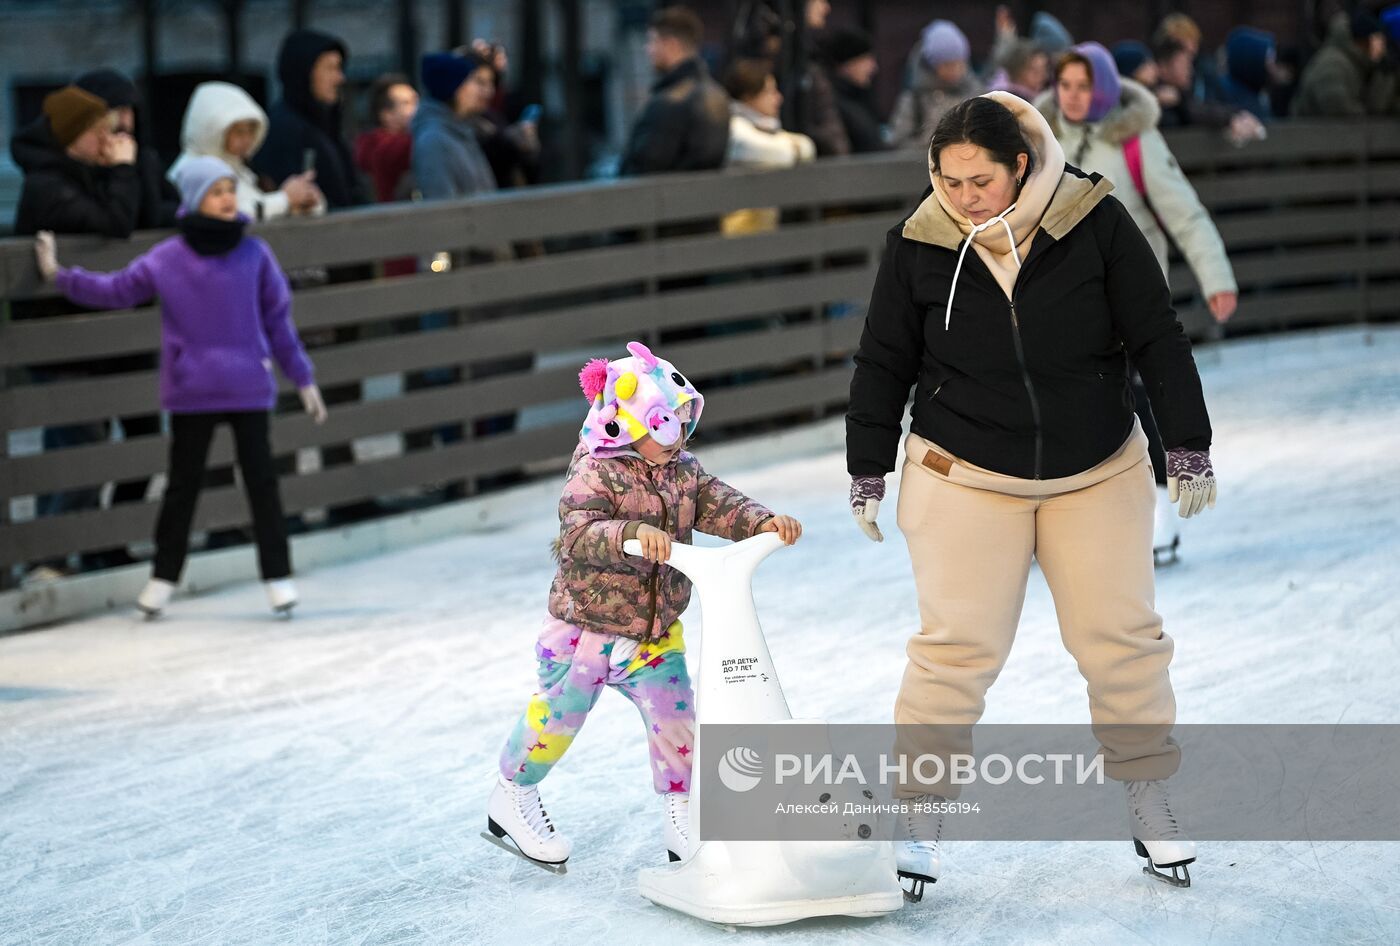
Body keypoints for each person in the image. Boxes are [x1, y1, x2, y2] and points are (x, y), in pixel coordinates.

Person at [846, 92, 1217, 897]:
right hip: (964, 469)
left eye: (978, 180)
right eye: (946, 179)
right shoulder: (919, 240)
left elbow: (1157, 332)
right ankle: (920, 811)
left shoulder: (1096, 219)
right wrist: (867, 463)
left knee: (1121, 640)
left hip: (1096, 466)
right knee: (954, 651)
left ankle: (1148, 793)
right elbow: (883, 360)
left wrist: (1186, 444)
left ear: (1023, 164)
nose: (960, 196)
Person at [486, 340, 803, 871]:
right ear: (631, 423)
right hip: (583, 630)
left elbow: (717, 501)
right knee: (557, 719)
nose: (679, 434)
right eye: (669, 423)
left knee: (678, 724)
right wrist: (630, 533)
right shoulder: (594, 471)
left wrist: (762, 520)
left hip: (654, 632)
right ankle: (511, 796)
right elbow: (578, 531)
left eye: (685, 420)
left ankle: (684, 818)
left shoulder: (682, 469)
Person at [32, 156, 329, 617]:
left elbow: (278, 322)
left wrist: (303, 377)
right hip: (194, 389)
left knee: (262, 485)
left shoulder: (254, 255)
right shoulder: (169, 258)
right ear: (195, 201)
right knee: (182, 488)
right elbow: (116, 290)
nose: (228, 198)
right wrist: (59, 275)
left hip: (248, 385)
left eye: (230, 189)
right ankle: (163, 577)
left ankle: (277, 575)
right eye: (216, 191)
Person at [1037, 42, 1236, 563]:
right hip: (1060, 302)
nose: (1073, 97)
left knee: (1131, 402)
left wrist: (1216, 278)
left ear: (1102, 88)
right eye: (1065, 86)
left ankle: (1156, 518)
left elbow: (1185, 214)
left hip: (1129, 297)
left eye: (1084, 86)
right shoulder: (1040, 141)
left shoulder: (1134, 142)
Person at [170, 81, 323, 222]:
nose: (247, 140)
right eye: (239, 132)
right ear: (211, 130)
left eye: (251, 131)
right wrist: (284, 200)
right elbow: (222, 216)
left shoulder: (241, 170)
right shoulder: (190, 169)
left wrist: (301, 202)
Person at [250, 28, 363, 209]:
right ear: (305, 73)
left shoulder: (325, 126)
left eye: (339, 68)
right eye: (330, 68)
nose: (339, 78)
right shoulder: (283, 131)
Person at [12, 85, 141, 237]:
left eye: (108, 130)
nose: (106, 139)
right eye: (98, 131)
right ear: (73, 136)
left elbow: (148, 216)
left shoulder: (84, 175)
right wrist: (122, 168)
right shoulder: (47, 186)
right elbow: (115, 224)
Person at [618, 6, 730, 176]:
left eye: (652, 41)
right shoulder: (719, 94)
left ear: (671, 44)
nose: (647, 49)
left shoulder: (667, 103)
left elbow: (641, 171)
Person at [74, 69, 178, 230]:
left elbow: (172, 209)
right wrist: (122, 169)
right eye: (113, 111)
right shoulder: (73, 168)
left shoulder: (145, 159)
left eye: (128, 110)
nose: (123, 121)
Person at [721, 58, 816, 235]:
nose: (778, 98)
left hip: (761, 234)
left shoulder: (764, 128)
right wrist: (794, 149)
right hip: (736, 236)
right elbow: (779, 153)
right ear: (748, 95)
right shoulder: (733, 128)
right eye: (769, 92)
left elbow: (807, 146)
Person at [411, 50, 498, 201]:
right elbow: (441, 208)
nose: (484, 92)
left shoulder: (461, 131)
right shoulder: (434, 141)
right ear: (455, 88)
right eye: (471, 82)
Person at [888, 19, 984, 150]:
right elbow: (897, 144)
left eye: (959, 63)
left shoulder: (976, 92)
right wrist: (932, 143)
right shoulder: (915, 100)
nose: (955, 70)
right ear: (932, 66)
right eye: (947, 65)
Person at [1291, 11, 1397, 117]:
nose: (1382, 49)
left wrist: (1385, 78)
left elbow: (1379, 107)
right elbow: (1339, 109)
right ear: (1363, 42)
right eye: (1377, 42)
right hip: (1311, 131)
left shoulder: (1360, 64)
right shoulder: (1333, 64)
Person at [354, 74, 419, 203]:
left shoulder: (371, 145)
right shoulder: (387, 148)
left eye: (416, 101)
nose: (417, 108)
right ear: (386, 114)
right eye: (408, 103)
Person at [822, 28, 888, 153]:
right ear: (847, 64)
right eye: (866, 60)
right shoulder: (833, 104)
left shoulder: (862, 99)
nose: (874, 68)